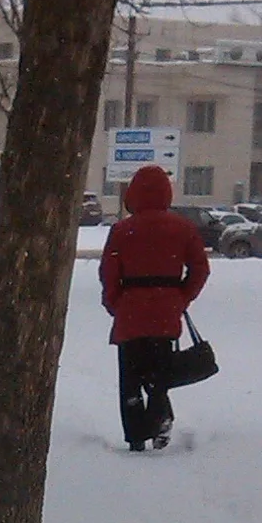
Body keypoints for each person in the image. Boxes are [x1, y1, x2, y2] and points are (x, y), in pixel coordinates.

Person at [99, 162, 209, 451]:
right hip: (166, 313)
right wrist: (181, 297)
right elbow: (200, 268)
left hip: (130, 311)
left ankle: (136, 435)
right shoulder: (183, 228)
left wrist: (115, 303)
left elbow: (109, 272)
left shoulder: (122, 230)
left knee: (130, 376)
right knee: (160, 373)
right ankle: (160, 417)